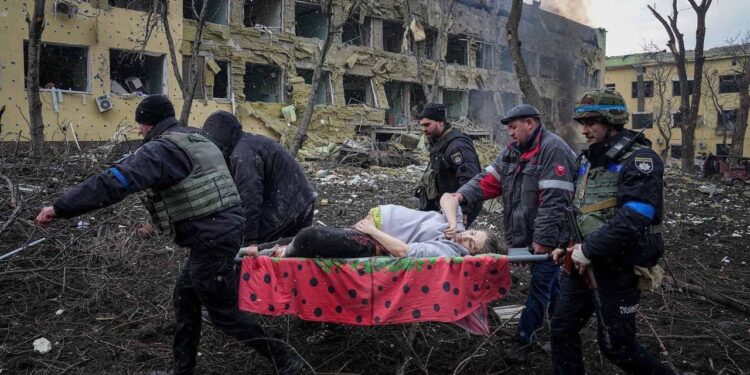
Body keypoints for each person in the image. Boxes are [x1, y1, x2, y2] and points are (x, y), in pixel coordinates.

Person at [35, 95, 302, 375]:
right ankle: (182, 370)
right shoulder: (195, 139)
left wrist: (62, 207)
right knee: (185, 297)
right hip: (220, 232)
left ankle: (284, 359)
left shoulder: (162, 150)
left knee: (223, 313)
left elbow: (115, 181)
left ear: (149, 123)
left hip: (212, 238)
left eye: (140, 124)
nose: (138, 131)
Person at [549, 89, 673, 374]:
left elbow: (636, 216)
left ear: (612, 121)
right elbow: (577, 208)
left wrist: (588, 250)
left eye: (591, 122)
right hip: (579, 264)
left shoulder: (641, 160)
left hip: (616, 266)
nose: (585, 129)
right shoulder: (587, 160)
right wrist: (562, 243)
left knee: (617, 348)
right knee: (561, 328)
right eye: (583, 123)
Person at [454, 104, 577, 361]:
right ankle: (561, 331)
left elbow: (555, 201)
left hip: (553, 236)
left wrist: (542, 240)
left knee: (540, 287)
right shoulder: (512, 152)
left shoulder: (553, 150)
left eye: (513, 127)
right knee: (552, 284)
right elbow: (488, 181)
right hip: (528, 235)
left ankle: (524, 339)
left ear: (530, 124)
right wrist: (461, 195)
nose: (509, 133)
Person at [249, 194, 503, 259]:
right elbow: (449, 197)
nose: (465, 238)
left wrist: (372, 231)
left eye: (471, 244)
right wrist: (451, 222)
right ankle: (250, 250)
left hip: (375, 239)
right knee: (305, 236)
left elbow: (404, 251)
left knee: (310, 237)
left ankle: (272, 255)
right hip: (372, 225)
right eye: (471, 233)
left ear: (472, 255)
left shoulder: (447, 252)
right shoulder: (455, 228)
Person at [202, 110, 317, 249]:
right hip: (302, 200)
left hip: (287, 207)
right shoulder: (248, 143)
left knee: (257, 252)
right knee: (291, 254)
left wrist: (249, 242)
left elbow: (250, 199)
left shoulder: (242, 154)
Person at [414, 103, 483, 226]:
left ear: (441, 122)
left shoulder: (457, 146)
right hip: (445, 204)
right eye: (422, 126)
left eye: (427, 125)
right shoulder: (439, 143)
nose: (424, 129)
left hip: (458, 206)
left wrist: (464, 211)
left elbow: (469, 179)